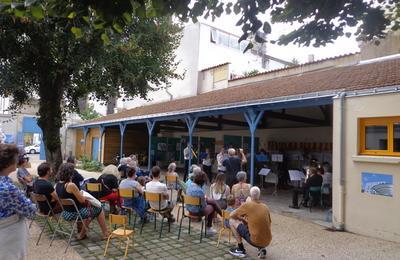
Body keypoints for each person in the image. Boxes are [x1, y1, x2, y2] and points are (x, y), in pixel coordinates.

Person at [0, 144, 36, 260]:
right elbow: (30, 210)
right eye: (17, 157)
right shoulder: (7, 188)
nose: (19, 159)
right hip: (8, 237)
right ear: (9, 162)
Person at [55, 163, 108, 240]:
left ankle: (82, 234)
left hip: (65, 212)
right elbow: (82, 200)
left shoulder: (58, 184)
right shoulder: (71, 185)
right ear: (71, 174)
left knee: (90, 212)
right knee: (99, 209)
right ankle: (105, 234)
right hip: (74, 213)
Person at [229, 187, 272, 259]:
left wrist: (241, 217)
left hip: (255, 240)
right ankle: (261, 248)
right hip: (267, 240)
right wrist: (244, 219)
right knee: (257, 225)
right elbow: (268, 223)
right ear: (259, 195)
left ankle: (241, 249)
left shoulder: (247, 205)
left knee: (231, 221)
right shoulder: (265, 207)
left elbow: (231, 215)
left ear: (250, 195)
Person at [186, 171, 222, 235]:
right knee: (212, 206)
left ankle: (223, 216)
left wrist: (205, 199)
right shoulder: (200, 191)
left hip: (189, 210)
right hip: (197, 212)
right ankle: (209, 228)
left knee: (212, 202)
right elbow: (203, 206)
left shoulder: (189, 186)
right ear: (202, 182)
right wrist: (206, 200)